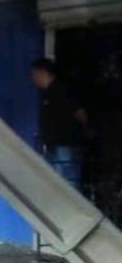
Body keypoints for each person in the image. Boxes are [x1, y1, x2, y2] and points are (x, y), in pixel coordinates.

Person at [31, 58, 89, 190]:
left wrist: (79, 132)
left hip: (65, 145)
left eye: (34, 73)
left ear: (43, 72)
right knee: (55, 183)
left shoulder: (62, 91)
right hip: (52, 146)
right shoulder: (46, 95)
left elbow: (80, 113)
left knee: (67, 183)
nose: (33, 78)